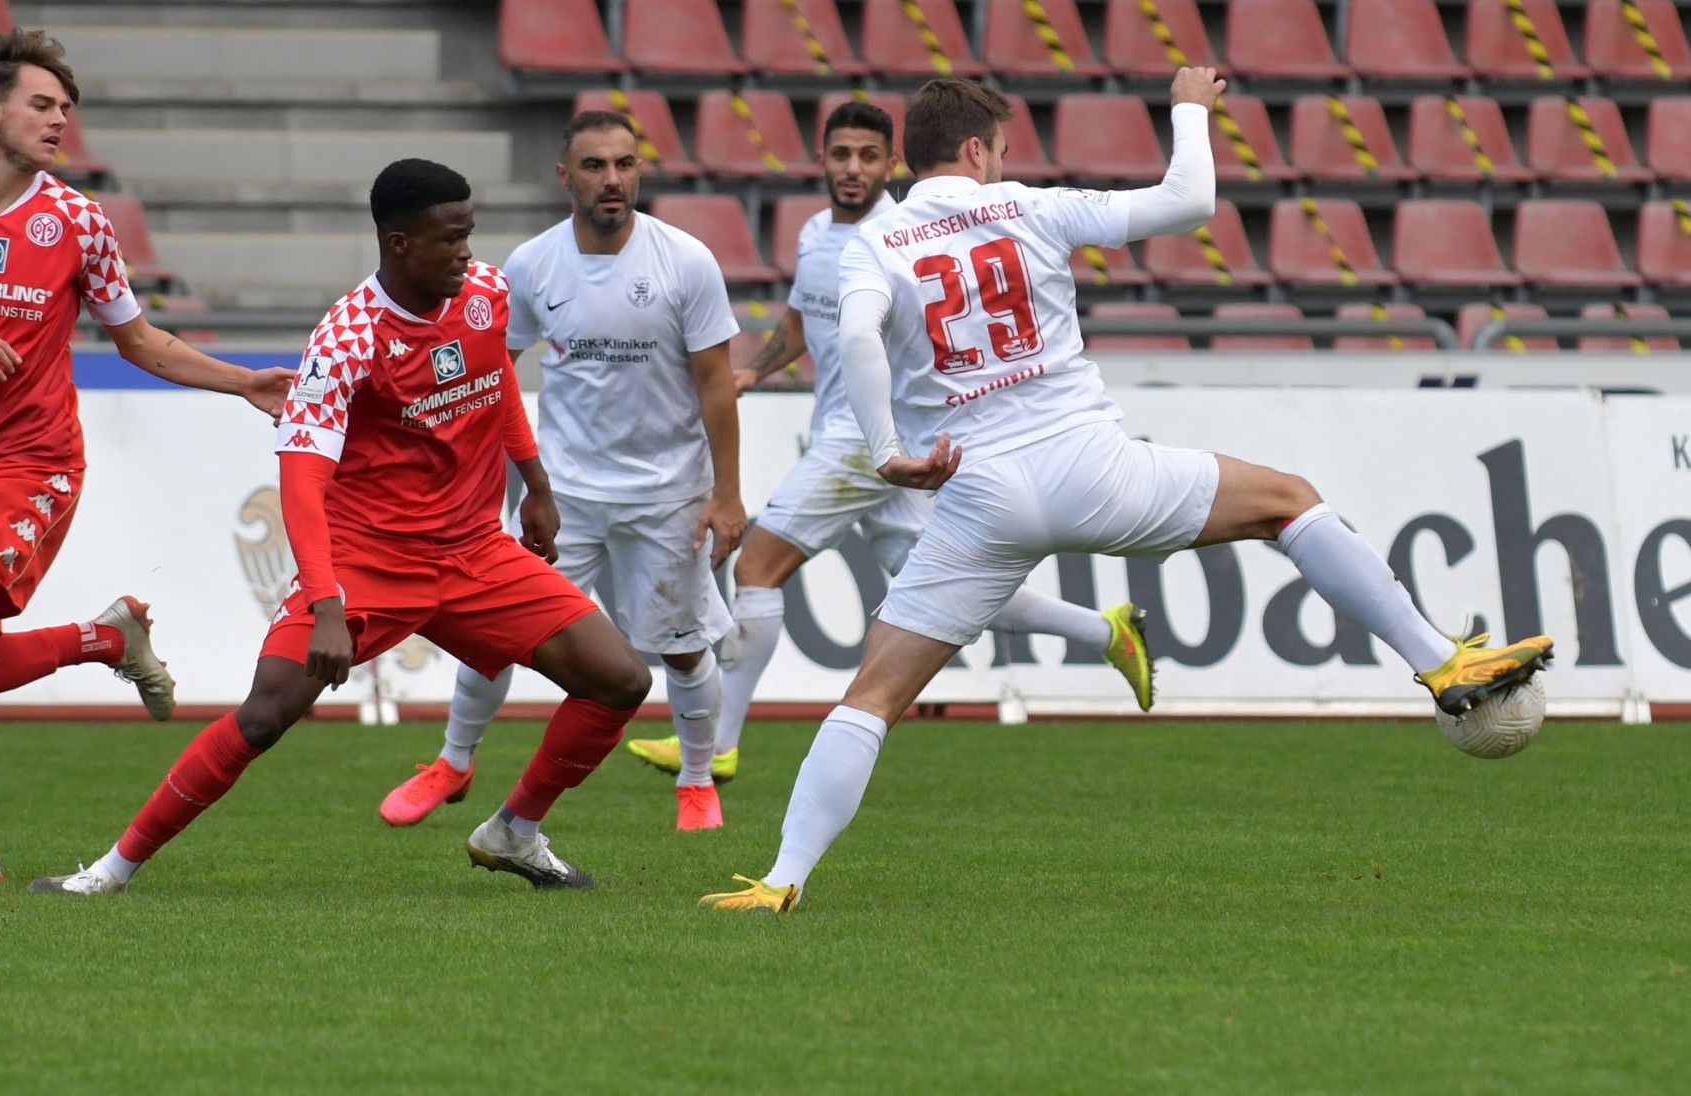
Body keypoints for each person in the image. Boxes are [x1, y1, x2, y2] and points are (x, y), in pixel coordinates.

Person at [700, 73, 1554, 913]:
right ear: (975, 149)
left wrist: (887, 451)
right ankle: (1440, 659)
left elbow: (853, 332)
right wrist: (1188, 107)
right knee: (1288, 501)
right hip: (1095, 470)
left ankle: (782, 879)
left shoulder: (874, 245)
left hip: (979, 495)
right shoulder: (1034, 207)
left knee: (874, 696)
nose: (1001, 162)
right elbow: (1187, 202)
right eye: (997, 150)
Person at [29, 159, 650, 896]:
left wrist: (537, 483)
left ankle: (513, 832)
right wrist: (327, 605)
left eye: (469, 235)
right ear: (398, 243)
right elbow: (301, 481)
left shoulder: (484, 294)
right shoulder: (346, 339)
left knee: (619, 681)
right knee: (263, 717)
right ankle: (110, 870)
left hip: (475, 551)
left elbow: (498, 383)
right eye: (450, 240)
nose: (466, 253)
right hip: (370, 563)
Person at [0, 28, 293, 884]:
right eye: (43, 104)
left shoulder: (80, 222)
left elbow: (143, 343)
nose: (61, 121)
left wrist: (242, 382)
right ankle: (102, 638)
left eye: (68, 109)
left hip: (36, 464)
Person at [624, 101, 1153, 787]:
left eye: (868, 156)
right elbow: (800, 321)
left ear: (892, 164)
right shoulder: (817, 233)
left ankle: (719, 742)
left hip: (866, 441)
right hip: (870, 443)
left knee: (756, 566)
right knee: (942, 584)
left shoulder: (897, 236)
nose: (852, 168)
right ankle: (1107, 631)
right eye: (840, 154)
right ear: (821, 159)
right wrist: (757, 367)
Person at [379, 110, 744, 833]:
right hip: (567, 494)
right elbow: (493, 373)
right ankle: (454, 762)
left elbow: (716, 384)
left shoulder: (687, 261)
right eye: (595, 166)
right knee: (499, 634)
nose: (612, 179)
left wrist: (727, 496)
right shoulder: (531, 264)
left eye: (625, 164)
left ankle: (698, 783)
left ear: (640, 170)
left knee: (682, 643)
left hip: (666, 492)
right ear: (565, 176)